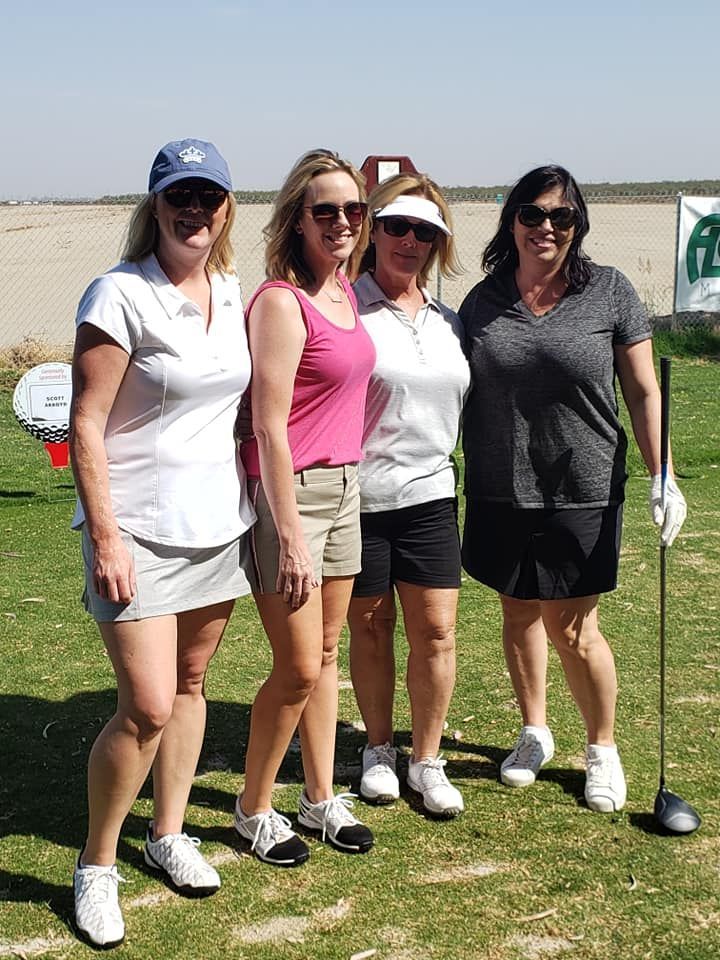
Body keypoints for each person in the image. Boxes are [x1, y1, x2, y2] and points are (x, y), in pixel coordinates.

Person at [69, 139, 255, 947]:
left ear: (225, 210)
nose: (194, 210)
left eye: (208, 197)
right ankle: (97, 865)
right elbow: (84, 422)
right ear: (154, 206)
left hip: (217, 525)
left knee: (189, 683)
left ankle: (168, 833)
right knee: (144, 705)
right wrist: (105, 535)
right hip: (136, 527)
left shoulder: (231, 288)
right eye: (179, 195)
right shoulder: (118, 295)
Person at [459, 164, 687, 813]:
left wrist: (662, 472)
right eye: (533, 214)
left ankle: (602, 749)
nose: (546, 227)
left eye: (561, 216)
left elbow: (644, 392)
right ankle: (534, 732)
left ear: (578, 223)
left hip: (583, 487)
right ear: (513, 222)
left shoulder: (608, 291)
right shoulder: (484, 299)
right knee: (518, 611)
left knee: (574, 625)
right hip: (500, 485)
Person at [234, 149, 376, 867]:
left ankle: (319, 798)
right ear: (297, 219)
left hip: (346, 489)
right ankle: (253, 808)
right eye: (327, 210)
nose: (344, 222)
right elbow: (269, 425)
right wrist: (287, 532)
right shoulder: (282, 302)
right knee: (294, 667)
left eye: (354, 209)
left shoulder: (343, 291)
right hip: (293, 497)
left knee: (325, 656)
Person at [347, 175, 469, 817]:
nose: (410, 240)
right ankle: (377, 748)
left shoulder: (450, 320)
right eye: (397, 225)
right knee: (370, 628)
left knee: (437, 632)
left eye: (426, 230)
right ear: (374, 230)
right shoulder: (347, 306)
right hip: (359, 500)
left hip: (430, 498)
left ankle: (426, 760)